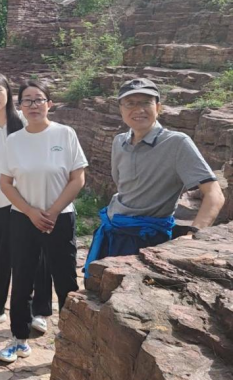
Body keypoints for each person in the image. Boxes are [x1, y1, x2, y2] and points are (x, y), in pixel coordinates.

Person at [84, 78, 225, 277]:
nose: (138, 109)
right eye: (130, 103)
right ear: (121, 109)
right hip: (112, 229)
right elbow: (123, 187)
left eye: (146, 102)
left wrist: (193, 234)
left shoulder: (177, 143)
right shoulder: (119, 142)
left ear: (158, 107)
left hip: (146, 238)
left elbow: (214, 194)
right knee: (96, 285)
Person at [0, 81, 87, 364]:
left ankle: (74, 341)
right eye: (27, 100)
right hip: (23, 219)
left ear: (49, 103)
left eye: (39, 99)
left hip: (60, 218)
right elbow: (6, 183)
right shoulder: (14, 140)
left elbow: (77, 178)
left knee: (66, 280)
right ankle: (19, 338)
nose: (33, 105)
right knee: (22, 278)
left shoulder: (65, 134)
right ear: (20, 107)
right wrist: (31, 212)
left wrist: (53, 211)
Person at [0, 73, 52, 333]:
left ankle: (39, 311)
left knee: (35, 257)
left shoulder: (24, 124)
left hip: (29, 200)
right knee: (0, 258)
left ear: (8, 92)